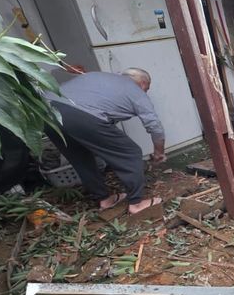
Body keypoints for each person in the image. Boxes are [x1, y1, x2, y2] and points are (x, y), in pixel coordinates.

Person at [46, 68, 165, 214]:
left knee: (81, 158)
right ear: (143, 83)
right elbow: (154, 125)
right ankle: (137, 204)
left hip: (47, 112)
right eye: (147, 89)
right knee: (131, 152)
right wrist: (159, 151)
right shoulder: (135, 90)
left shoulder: (95, 75)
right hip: (81, 115)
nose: (145, 92)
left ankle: (104, 199)